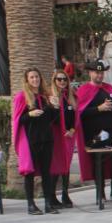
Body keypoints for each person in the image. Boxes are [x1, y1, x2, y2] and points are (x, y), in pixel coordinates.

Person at [76, 60, 112, 201]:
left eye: (101, 73)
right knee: (98, 162)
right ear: (90, 73)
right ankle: (100, 193)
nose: (100, 75)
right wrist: (98, 109)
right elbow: (80, 113)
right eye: (97, 73)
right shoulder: (83, 90)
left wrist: (111, 107)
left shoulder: (109, 89)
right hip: (94, 134)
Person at [11, 68, 59, 215]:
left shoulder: (45, 96)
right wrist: (30, 114)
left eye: (37, 76)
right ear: (27, 80)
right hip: (31, 141)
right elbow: (18, 120)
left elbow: (53, 119)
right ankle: (31, 205)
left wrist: (56, 107)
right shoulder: (22, 97)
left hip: (47, 139)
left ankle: (48, 204)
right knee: (29, 173)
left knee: (46, 172)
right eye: (31, 77)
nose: (35, 79)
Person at [50, 69, 77, 209]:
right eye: (59, 79)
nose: (62, 81)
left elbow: (75, 117)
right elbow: (51, 119)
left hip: (69, 137)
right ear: (54, 81)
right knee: (56, 165)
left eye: (65, 79)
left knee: (66, 165)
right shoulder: (51, 97)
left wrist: (72, 130)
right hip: (56, 136)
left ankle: (65, 194)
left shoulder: (70, 97)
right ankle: (52, 196)